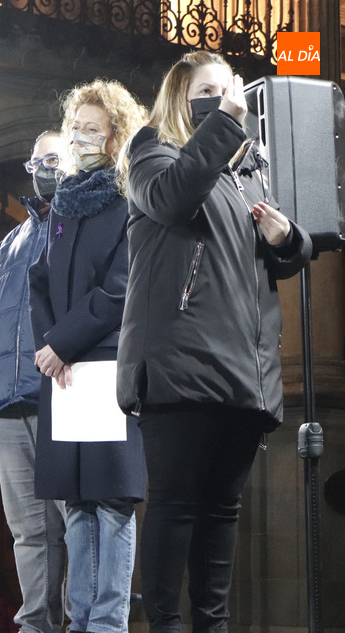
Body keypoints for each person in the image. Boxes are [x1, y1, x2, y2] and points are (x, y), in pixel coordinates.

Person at [116, 51, 312, 633]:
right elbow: (174, 198)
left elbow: (271, 259)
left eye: (230, 89)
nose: (226, 98)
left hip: (242, 371)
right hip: (180, 365)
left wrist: (288, 238)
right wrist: (224, 125)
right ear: (181, 97)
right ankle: (168, 624)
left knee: (222, 511)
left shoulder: (245, 172)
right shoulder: (153, 152)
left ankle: (214, 624)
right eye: (209, 90)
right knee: (175, 504)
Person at [27, 80, 148, 633]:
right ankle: (80, 623)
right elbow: (40, 281)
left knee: (112, 505)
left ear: (116, 135)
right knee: (74, 504)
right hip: (65, 370)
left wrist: (62, 342)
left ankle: (107, 623)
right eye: (74, 128)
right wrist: (48, 346)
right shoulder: (61, 207)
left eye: (91, 129)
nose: (79, 139)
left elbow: (121, 289)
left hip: (103, 368)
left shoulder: (131, 201)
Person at [0, 131, 69, 633]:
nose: (44, 167)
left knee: (74, 522)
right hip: (9, 398)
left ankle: (78, 621)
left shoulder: (81, 222)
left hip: (63, 391)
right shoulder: (13, 239)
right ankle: (36, 624)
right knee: (27, 528)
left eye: (55, 158)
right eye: (38, 159)